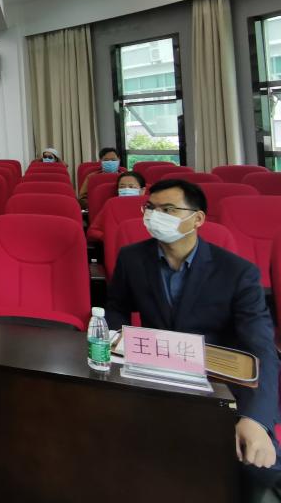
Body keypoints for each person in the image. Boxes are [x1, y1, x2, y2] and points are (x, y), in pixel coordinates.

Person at [106, 179, 280, 498]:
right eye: (150, 208)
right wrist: (119, 344)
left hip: (215, 381)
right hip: (154, 375)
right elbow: (116, 307)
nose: (155, 216)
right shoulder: (132, 259)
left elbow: (261, 348)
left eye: (168, 209)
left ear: (197, 218)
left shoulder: (237, 272)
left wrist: (255, 419)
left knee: (256, 465)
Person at [86, 171, 145, 243]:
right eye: (122, 187)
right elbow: (92, 231)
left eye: (131, 187)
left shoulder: (150, 206)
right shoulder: (111, 204)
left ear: (142, 190)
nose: (126, 189)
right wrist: (110, 238)